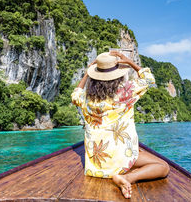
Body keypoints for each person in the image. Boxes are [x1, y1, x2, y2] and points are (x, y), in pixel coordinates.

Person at [71, 51, 170, 199]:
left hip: (96, 165)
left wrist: (86, 74)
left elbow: (75, 94)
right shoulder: (125, 93)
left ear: (95, 75)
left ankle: (123, 175)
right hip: (120, 159)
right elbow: (149, 79)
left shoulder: (86, 100)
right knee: (163, 167)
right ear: (117, 75)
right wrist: (130, 62)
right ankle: (127, 178)